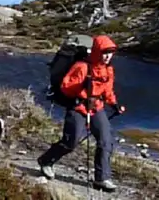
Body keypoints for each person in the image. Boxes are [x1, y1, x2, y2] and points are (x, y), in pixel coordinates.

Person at [37, 34, 125, 191]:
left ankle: (102, 179)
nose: (107, 57)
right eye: (105, 53)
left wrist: (114, 104)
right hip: (78, 107)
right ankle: (46, 160)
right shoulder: (82, 67)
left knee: (106, 141)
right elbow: (66, 87)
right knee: (71, 142)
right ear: (97, 51)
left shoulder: (108, 70)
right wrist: (82, 93)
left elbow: (108, 90)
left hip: (97, 107)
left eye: (110, 53)